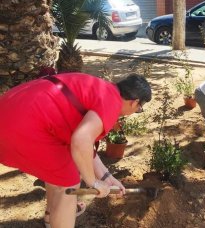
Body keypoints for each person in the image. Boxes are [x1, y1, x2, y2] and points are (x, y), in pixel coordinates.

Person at [0, 73, 152, 227]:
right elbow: (81, 141)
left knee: (60, 173)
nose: (136, 111)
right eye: (139, 109)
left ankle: (52, 216)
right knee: (69, 184)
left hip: (9, 109)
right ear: (134, 102)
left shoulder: (103, 89)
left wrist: (106, 177)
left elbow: (85, 146)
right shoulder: (112, 103)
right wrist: (92, 182)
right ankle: (59, 216)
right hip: (21, 125)